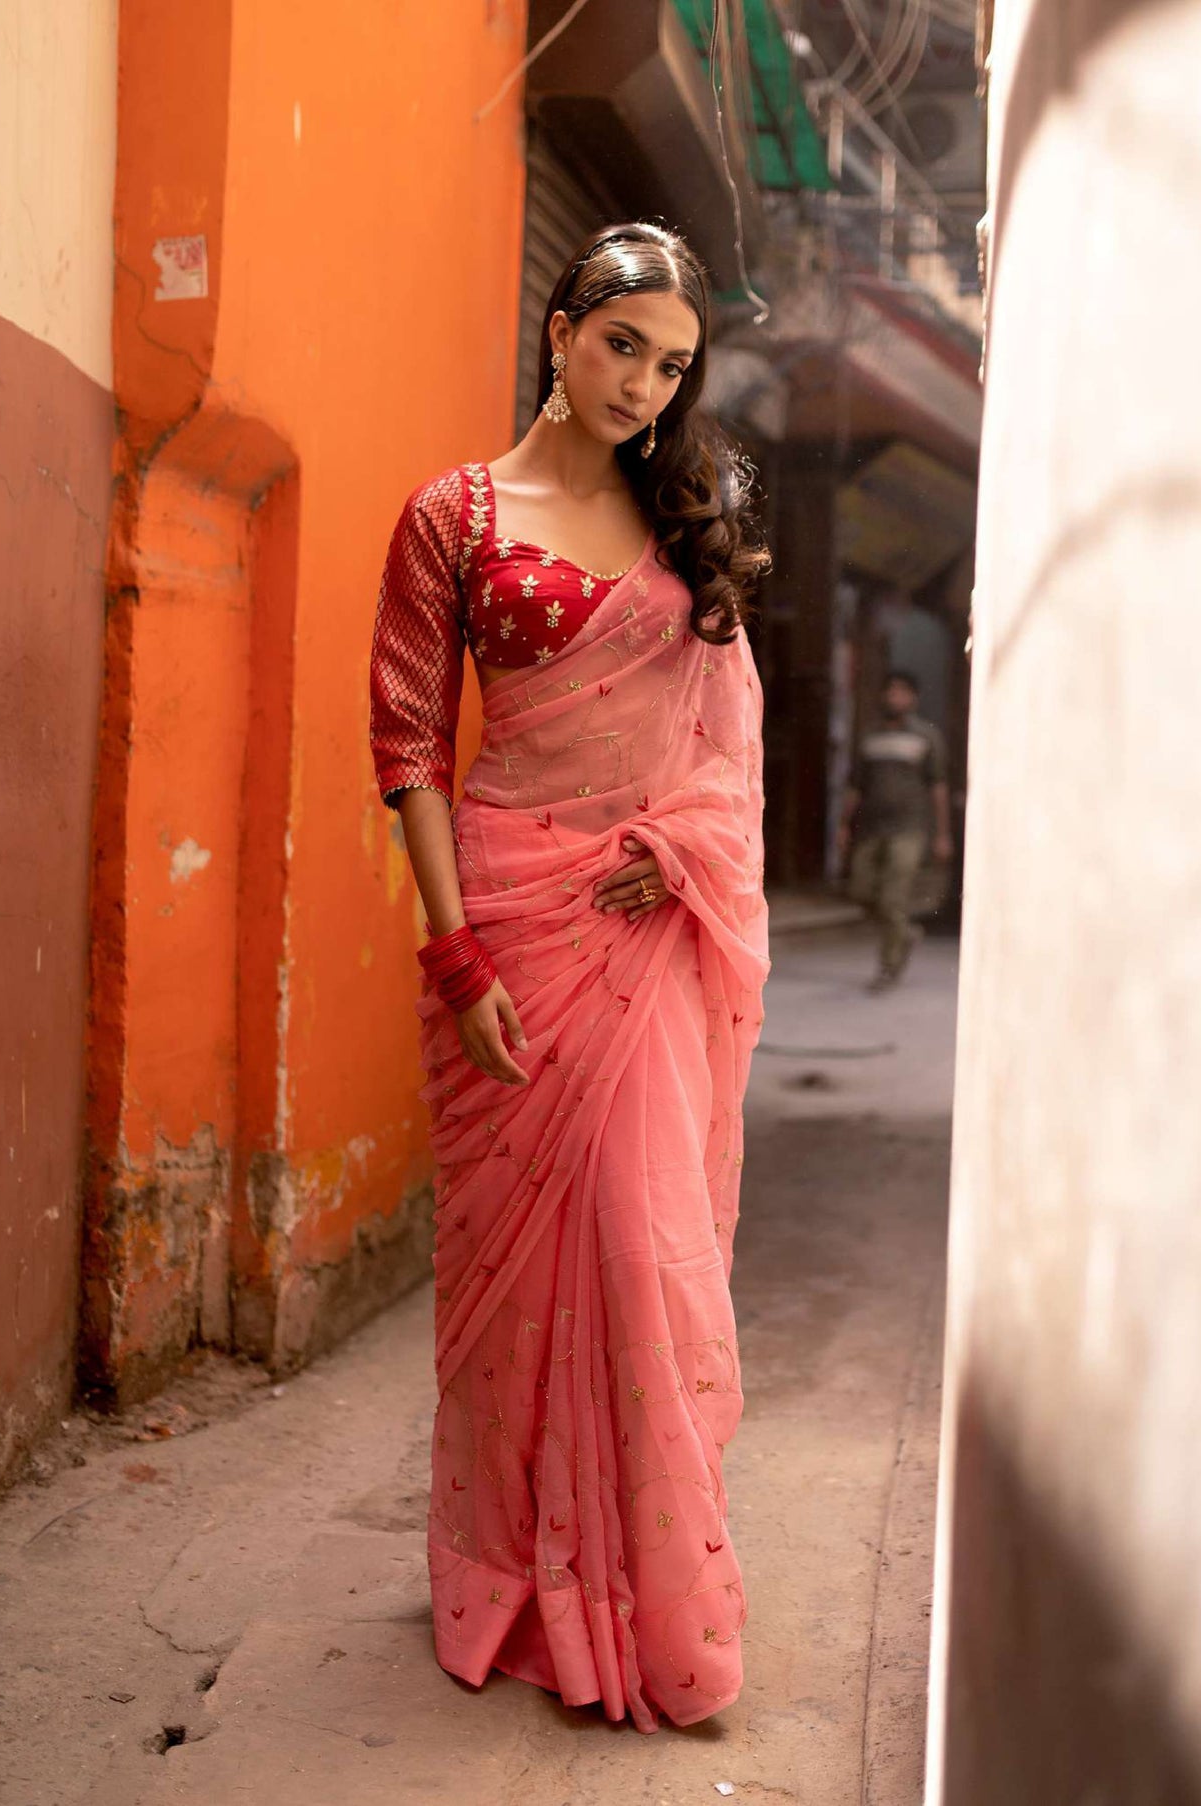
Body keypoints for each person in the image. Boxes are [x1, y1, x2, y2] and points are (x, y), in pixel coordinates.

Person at [368, 223, 771, 1734]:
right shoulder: (453, 515)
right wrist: (454, 947)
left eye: (671, 365)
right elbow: (407, 746)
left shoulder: (687, 517)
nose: (643, 384)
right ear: (559, 330)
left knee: (644, 1253)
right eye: (623, 346)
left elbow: (727, 750)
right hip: (510, 924)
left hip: (648, 937)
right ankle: (512, 1578)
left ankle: (642, 1591)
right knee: (517, 1282)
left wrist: (675, 845)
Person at [841, 670, 952, 988]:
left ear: (913, 698)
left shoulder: (926, 737)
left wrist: (942, 834)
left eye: (902, 692)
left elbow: (939, 787)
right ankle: (906, 933)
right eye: (891, 691)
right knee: (860, 891)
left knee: (893, 898)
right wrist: (844, 826)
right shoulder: (869, 736)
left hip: (909, 828)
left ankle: (888, 967)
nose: (895, 697)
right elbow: (854, 787)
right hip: (870, 827)